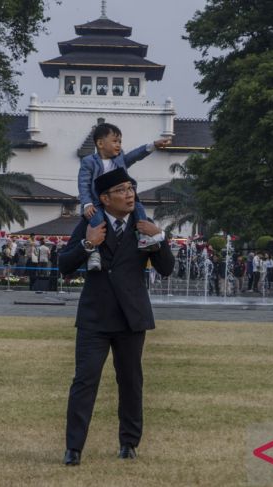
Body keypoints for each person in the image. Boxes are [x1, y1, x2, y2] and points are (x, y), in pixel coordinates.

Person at [58, 168, 175, 466]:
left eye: (131, 188)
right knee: (84, 382)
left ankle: (129, 443)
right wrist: (88, 244)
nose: (129, 194)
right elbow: (64, 265)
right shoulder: (90, 223)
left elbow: (166, 269)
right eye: (121, 190)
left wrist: (159, 238)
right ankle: (73, 448)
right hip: (94, 317)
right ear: (104, 199)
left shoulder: (142, 224)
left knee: (131, 381)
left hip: (131, 318)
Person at [78, 122, 171, 271]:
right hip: (97, 201)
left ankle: (144, 237)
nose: (118, 145)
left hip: (117, 202)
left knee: (139, 208)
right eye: (114, 141)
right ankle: (94, 253)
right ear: (100, 143)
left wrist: (153, 145)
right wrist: (87, 203)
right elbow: (83, 184)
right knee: (97, 222)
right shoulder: (89, 162)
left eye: (120, 142)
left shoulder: (120, 158)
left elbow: (135, 156)